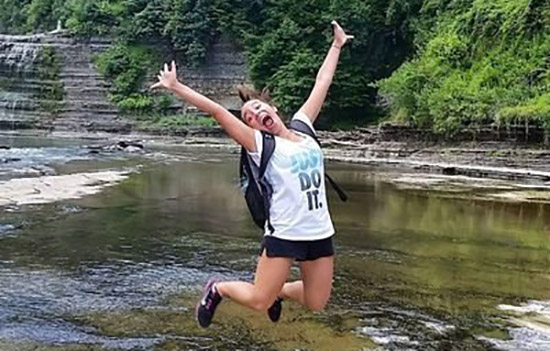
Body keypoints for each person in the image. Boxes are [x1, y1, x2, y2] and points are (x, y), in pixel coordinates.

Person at [151, 20, 353, 328]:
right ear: (253, 127)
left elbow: (322, 82)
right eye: (249, 117)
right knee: (259, 300)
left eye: (259, 109)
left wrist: (336, 45)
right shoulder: (260, 144)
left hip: (319, 231)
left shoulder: (304, 127)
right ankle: (218, 288)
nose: (256, 115)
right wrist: (177, 87)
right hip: (284, 233)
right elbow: (218, 112)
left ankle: (280, 293)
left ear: (273, 110)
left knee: (316, 302)